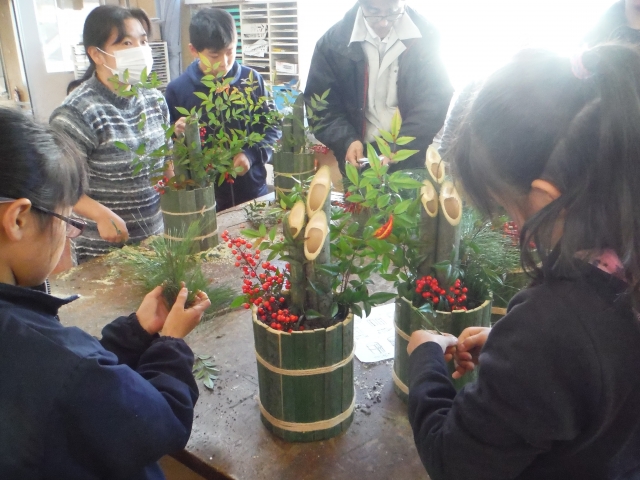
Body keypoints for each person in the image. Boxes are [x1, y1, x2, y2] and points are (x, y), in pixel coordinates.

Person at [407, 44, 640, 479]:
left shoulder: (549, 330)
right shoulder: (623, 264)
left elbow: (454, 461)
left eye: (509, 208)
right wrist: (506, 344)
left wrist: (424, 359)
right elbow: (603, 362)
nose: (512, 225)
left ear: (548, 198)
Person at [0, 107, 211, 479]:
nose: (67, 235)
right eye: (67, 222)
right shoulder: (53, 356)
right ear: (18, 219)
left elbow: (72, 393)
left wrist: (134, 333)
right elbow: (159, 425)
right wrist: (170, 343)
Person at [50, 5, 169, 263]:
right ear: (97, 54)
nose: (139, 50)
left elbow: (165, 161)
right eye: (127, 43)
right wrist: (100, 214)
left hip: (155, 241)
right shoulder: (77, 112)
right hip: (103, 254)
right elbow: (57, 183)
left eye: (143, 41)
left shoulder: (154, 100)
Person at [304, 0, 453, 174]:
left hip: (408, 149)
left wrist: (398, 147)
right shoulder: (332, 43)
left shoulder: (426, 36)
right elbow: (321, 108)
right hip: (356, 152)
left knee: (407, 198)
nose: (383, 22)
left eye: (392, 12)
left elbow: (434, 101)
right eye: (374, 12)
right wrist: (346, 141)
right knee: (360, 200)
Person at [164, 8, 281, 212]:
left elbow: (272, 128)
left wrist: (251, 155)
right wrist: (175, 132)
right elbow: (164, 148)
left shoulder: (251, 80)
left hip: (254, 193)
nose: (224, 62)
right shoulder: (178, 90)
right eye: (214, 55)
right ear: (194, 50)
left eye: (230, 51)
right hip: (204, 202)